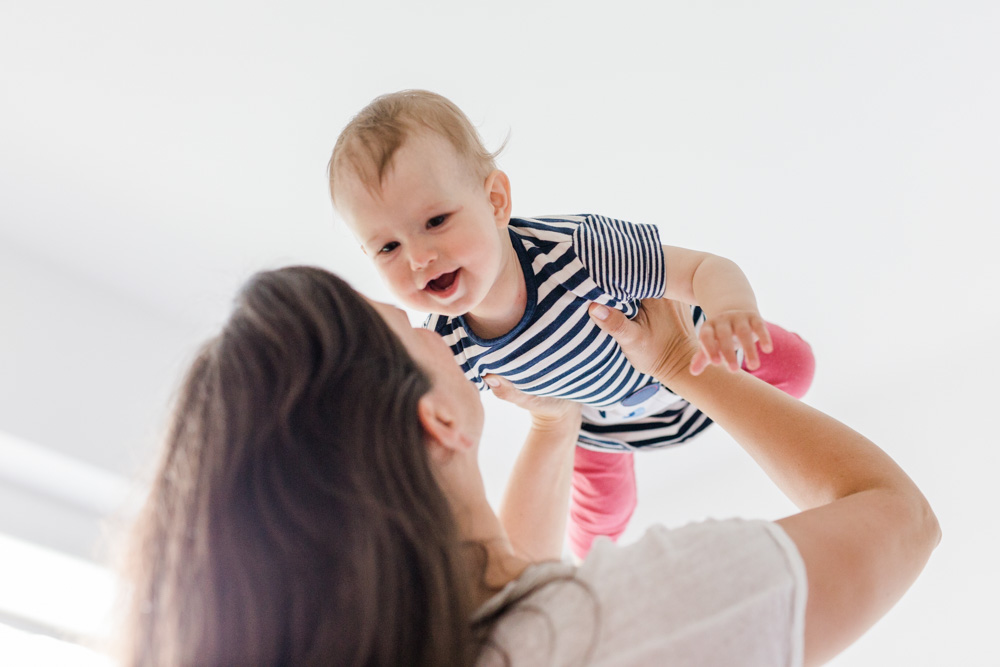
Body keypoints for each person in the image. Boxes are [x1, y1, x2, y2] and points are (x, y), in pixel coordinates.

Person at [120, 266, 939, 666]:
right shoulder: (623, 619)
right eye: (408, 327)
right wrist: (681, 365)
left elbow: (519, 583)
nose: (433, 324)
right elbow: (898, 518)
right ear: (437, 416)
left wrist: (556, 425)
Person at [327, 89, 816, 558]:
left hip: (692, 350)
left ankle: (783, 442)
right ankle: (590, 580)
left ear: (496, 201)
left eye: (436, 221)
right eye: (388, 247)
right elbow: (427, 435)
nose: (418, 257)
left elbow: (702, 270)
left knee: (795, 366)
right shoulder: (447, 347)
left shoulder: (579, 251)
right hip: (596, 422)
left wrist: (729, 312)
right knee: (598, 527)